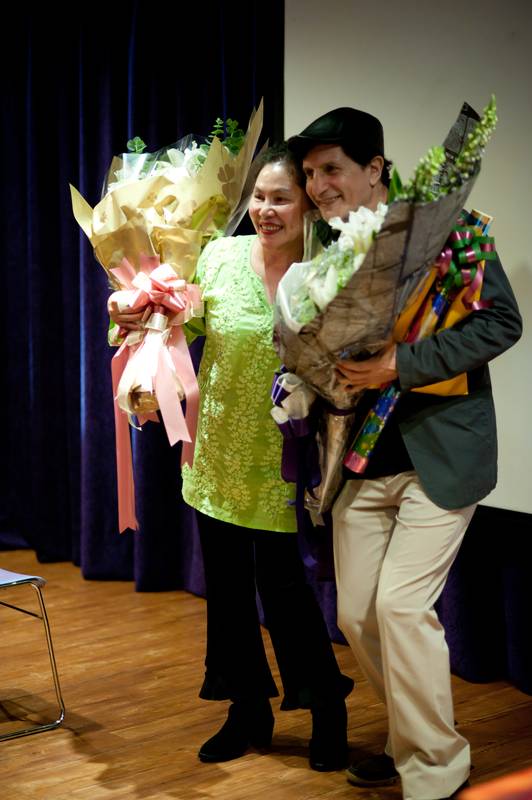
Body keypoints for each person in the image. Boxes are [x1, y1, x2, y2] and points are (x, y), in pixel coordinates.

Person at [288, 108, 522, 799]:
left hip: (441, 454)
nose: (318, 185)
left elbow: (502, 322)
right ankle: (410, 735)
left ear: (374, 169)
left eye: (331, 169)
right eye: (309, 174)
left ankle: (436, 767)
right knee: (357, 615)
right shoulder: (327, 257)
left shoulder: (453, 232)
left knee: (398, 608)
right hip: (361, 457)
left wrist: (402, 362)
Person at [109, 143, 353, 771]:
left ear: (308, 206)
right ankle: (247, 710)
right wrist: (135, 311)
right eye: (259, 197)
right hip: (215, 453)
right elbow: (175, 329)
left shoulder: (329, 273)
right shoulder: (217, 256)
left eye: (282, 198)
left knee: (287, 593)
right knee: (227, 592)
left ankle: (327, 708)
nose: (266, 210)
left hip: (285, 464)